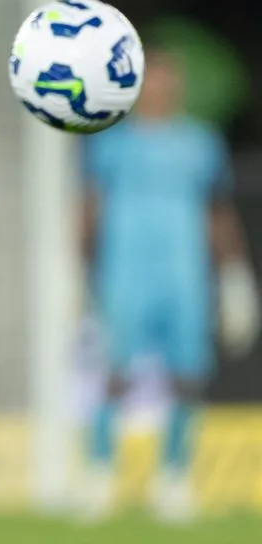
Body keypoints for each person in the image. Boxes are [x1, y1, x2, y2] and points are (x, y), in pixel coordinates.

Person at [81, 46, 255, 521]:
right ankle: (101, 475)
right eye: (152, 79)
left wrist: (236, 273)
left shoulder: (200, 143)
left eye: (167, 78)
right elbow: (90, 211)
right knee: (116, 375)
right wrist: (75, 271)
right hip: (125, 273)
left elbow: (217, 211)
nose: (160, 87)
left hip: (184, 275)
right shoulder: (110, 145)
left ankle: (173, 477)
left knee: (187, 378)